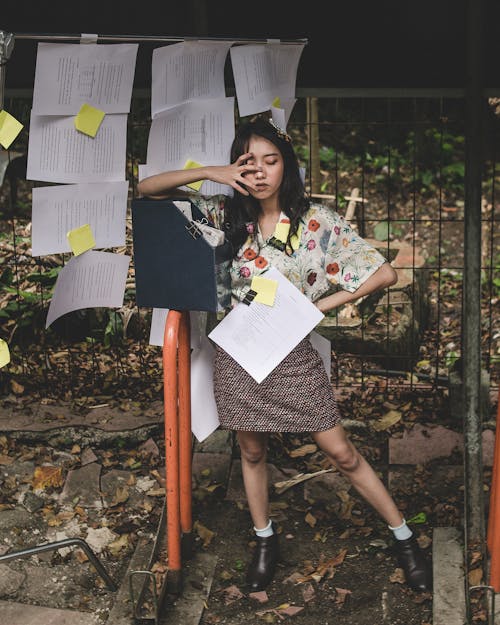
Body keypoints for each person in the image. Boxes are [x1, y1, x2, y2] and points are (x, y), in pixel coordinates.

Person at [137, 116, 432, 594]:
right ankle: (264, 540)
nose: (259, 171)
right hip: (238, 352)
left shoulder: (317, 221)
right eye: (248, 162)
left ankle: (405, 539)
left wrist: (319, 307)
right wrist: (210, 172)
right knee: (251, 451)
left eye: (270, 160)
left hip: (292, 355)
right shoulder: (223, 215)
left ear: (286, 166)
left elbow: (383, 275)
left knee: (342, 452)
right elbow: (148, 189)